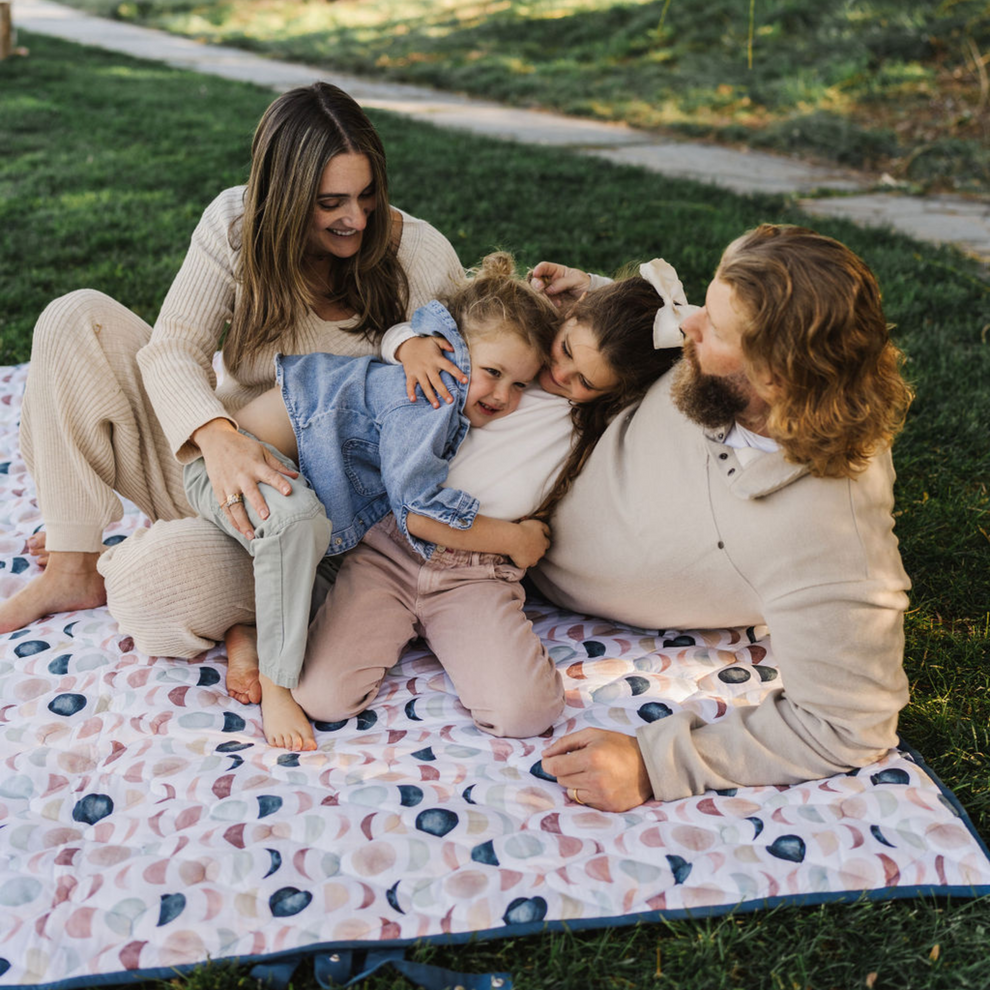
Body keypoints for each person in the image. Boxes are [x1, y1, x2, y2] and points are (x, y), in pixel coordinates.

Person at [0, 83, 463, 703]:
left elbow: (483, 353)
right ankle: (73, 567)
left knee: (149, 586)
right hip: (213, 466)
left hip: (309, 529)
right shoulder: (237, 223)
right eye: (330, 202)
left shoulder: (420, 256)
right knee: (75, 317)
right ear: (284, 197)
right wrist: (217, 439)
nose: (355, 218)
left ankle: (232, 606)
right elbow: (171, 349)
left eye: (367, 195)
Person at [534, 224, 915, 812]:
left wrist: (655, 763)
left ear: (774, 376)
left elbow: (849, 724)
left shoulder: (828, 539)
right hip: (547, 417)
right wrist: (601, 302)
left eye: (713, 327)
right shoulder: (730, 380)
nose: (689, 324)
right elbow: (679, 321)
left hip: (510, 542)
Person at [182, 252, 560, 750]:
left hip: (282, 476)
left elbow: (408, 334)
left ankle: (252, 633)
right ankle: (276, 685)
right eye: (492, 372)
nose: (504, 396)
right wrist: (515, 537)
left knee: (317, 547)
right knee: (299, 528)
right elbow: (417, 510)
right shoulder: (429, 396)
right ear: (453, 351)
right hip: (235, 468)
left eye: (520, 385)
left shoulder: (439, 371)